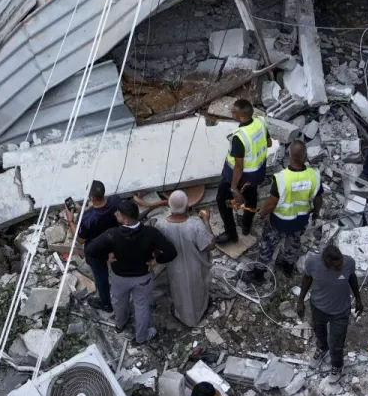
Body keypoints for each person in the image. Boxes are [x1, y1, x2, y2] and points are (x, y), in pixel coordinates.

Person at [85, 199, 177, 344]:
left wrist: (106, 256)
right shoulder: (150, 233)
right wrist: (156, 261)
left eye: (118, 214)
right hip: (143, 277)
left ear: (125, 219)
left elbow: (90, 250)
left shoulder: (112, 234)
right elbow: (171, 252)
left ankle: (120, 324)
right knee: (141, 307)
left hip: (120, 277)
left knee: (118, 302)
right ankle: (141, 337)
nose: (116, 214)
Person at [256, 140, 322, 273]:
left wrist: (262, 213)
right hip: (300, 220)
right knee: (294, 241)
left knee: (268, 243)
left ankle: (258, 272)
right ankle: (288, 266)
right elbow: (318, 199)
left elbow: (271, 203)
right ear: (305, 156)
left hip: (280, 221)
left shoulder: (282, 178)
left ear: (289, 155)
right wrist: (316, 212)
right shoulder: (314, 176)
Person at [296, 244, 362, 373]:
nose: (340, 266)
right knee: (319, 332)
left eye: (340, 262)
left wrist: (358, 298)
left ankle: (337, 366)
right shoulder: (312, 262)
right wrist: (300, 301)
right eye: (336, 265)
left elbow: (352, 278)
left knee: (337, 343)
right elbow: (307, 279)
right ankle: (322, 348)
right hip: (318, 308)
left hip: (341, 311)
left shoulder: (349, 262)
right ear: (326, 263)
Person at [155, 189, 214, 327]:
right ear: (187, 206)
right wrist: (206, 221)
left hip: (174, 267)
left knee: (179, 291)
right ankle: (198, 314)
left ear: (169, 206)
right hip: (195, 266)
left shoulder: (161, 225)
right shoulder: (195, 225)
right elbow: (210, 246)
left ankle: (182, 316)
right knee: (197, 290)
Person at [217, 99, 269, 243]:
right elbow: (268, 142)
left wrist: (234, 187)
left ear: (240, 117)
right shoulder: (261, 122)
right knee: (251, 195)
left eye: (233, 112)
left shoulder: (239, 137)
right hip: (257, 171)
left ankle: (231, 234)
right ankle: (246, 225)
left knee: (222, 200)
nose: (231, 113)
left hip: (239, 176)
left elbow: (239, 166)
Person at [68, 180, 121, 312]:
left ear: (91, 197)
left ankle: (106, 304)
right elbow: (101, 208)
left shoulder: (87, 219)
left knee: (101, 276)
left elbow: (80, 240)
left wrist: (70, 221)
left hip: (96, 249)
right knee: (118, 266)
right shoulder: (115, 201)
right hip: (115, 242)